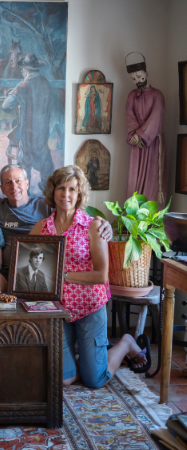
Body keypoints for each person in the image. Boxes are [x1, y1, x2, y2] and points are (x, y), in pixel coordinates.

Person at [30, 165, 148, 388]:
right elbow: (30, 269)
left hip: (89, 308)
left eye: (73, 189)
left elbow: (101, 276)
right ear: (52, 192)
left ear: (79, 194)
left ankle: (125, 343)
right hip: (57, 312)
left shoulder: (93, 227)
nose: (66, 194)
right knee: (65, 380)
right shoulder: (39, 229)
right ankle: (82, 359)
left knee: (95, 379)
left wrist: (62, 276)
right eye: (61, 188)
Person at [2, 53, 55, 192]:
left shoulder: (23, 85)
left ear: (26, 70)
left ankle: (25, 193)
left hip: (28, 134)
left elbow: (6, 106)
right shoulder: (46, 84)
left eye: (23, 69)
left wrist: (14, 98)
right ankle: (46, 190)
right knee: (46, 162)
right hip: (43, 133)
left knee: (24, 164)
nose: (21, 71)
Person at [125, 56, 167, 205]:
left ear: (146, 73)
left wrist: (141, 134)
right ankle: (133, 217)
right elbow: (129, 117)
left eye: (139, 76)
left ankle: (152, 220)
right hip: (137, 144)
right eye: (133, 78)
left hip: (153, 142)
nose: (137, 80)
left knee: (152, 178)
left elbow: (157, 117)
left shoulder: (157, 94)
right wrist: (134, 135)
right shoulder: (131, 96)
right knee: (134, 178)